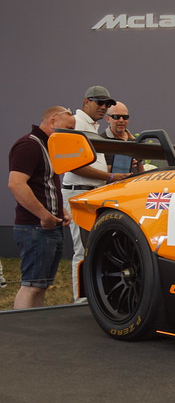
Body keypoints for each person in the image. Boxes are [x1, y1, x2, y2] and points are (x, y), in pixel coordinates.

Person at [64, 85, 129, 300]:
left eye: (107, 104)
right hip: (79, 192)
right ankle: (80, 300)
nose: (104, 107)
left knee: (93, 248)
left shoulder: (91, 126)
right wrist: (110, 177)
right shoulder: (76, 122)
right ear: (86, 102)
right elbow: (73, 164)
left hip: (92, 192)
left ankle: (91, 298)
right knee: (81, 250)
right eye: (99, 102)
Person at [8, 106, 76, 308]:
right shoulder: (29, 145)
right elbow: (16, 184)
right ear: (53, 121)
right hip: (34, 227)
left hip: (48, 226)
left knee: (41, 285)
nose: (70, 134)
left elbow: (47, 184)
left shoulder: (48, 146)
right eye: (68, 128)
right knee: (31, 285)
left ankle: (34, 329)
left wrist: (59, 211)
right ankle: (23, 333)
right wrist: (44, 215)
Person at [103, 102, 137, 174]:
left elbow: (140, 169)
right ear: (108, 119)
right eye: (116, 117)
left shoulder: (135, 141)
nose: (121, 120)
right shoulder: (100, 141)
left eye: (125, 117)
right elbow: (96, 170)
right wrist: (124, 167)